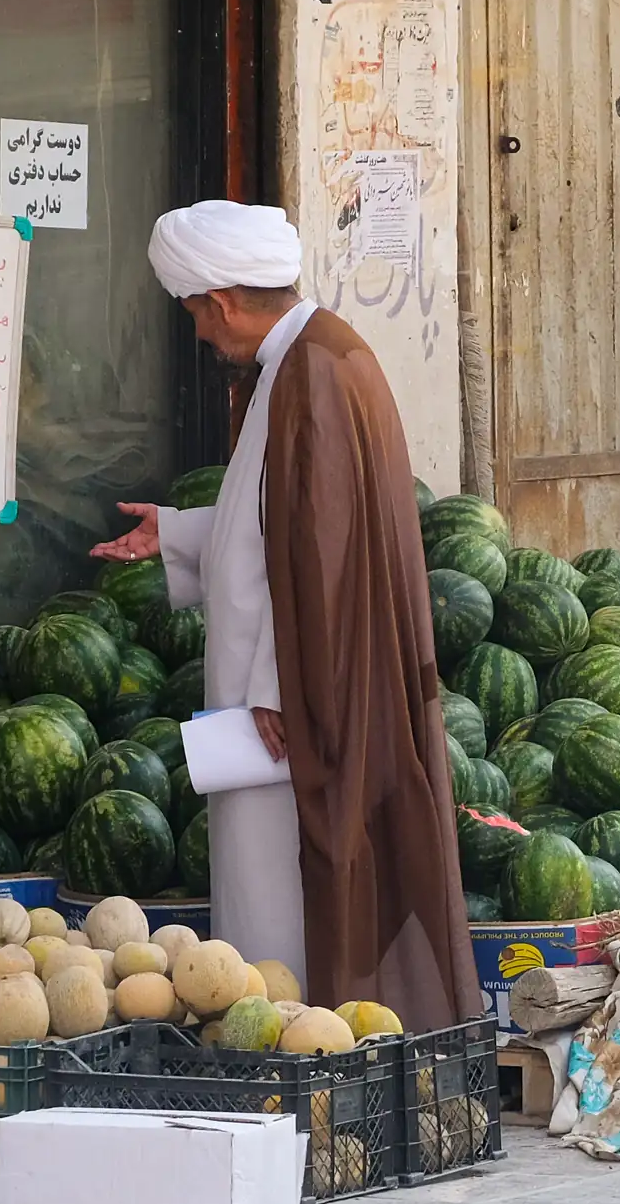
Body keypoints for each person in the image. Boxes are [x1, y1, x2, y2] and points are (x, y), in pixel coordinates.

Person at [91, 199, 479, 1033]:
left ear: (221, 301)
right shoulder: (308, 359)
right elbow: (278, 523)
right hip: (287, 682)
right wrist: (179, 532)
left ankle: (296, 1046)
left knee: (279, 883)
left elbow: (325, 552)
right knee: (265, 878)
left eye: (195, 314)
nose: (200, 335)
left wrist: (278, 685)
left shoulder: (312, 373)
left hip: (290, 697)